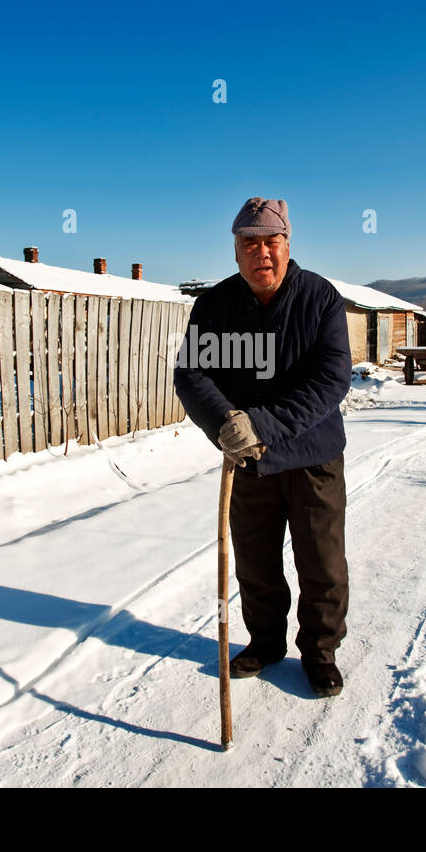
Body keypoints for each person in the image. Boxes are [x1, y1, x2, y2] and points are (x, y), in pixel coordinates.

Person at [173, 196, 352, 697]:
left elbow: (332, 379)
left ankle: (319, 652)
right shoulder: (215, 305)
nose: (262, 253)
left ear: (287, 244)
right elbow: (191, 373)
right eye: (249, 243)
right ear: (235, 252)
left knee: (321, 561)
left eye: (271, 241)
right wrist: (225, 421)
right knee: (255, 561)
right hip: (246, 460)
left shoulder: (320, 298)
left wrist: (262, 424)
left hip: (312, 456)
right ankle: (267, 642)